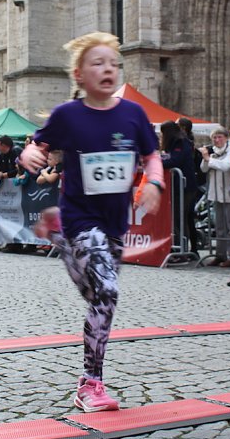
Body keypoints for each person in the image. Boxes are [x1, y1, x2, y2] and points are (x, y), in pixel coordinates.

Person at [21, 31, 163, 413]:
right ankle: (91, 384)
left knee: (98, 297)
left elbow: (151, 156)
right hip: (82, 218)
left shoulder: (133, 114)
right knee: (108, 293)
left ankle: (57, 234)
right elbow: (37, 144)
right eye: (98, 63)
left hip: (115, 223)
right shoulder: (68, 115)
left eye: (114, 64)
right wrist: (31, 153)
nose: (108, 69)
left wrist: (155, 182)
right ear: (79, 74)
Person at [199, 128, 230, 267]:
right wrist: (206, 159)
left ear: (226, 137)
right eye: (214, 138)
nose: (217, 140)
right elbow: (203, 168)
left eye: (219, 137)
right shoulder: (213, 152)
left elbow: (226, 166)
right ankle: (220, 255)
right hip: (216, 192)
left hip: (229, 193)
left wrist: (208, 159)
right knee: (219, 226)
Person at [160, 120, 199, 254]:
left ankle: (181, 249)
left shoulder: (181, 142)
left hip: (185, 186)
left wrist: (157, 162)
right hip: (179, 186)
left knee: (179, 218)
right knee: (181, 218)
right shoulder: (178, 142)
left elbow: (175, 160)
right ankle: (183, 248)